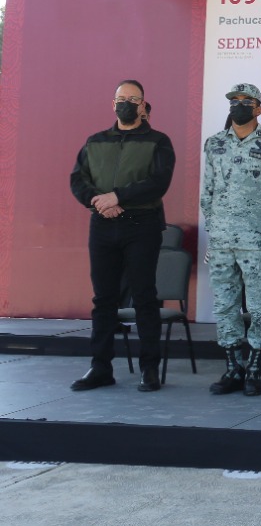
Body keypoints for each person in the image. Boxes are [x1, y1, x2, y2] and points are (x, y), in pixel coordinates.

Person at [68, 79, 176, 393]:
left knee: (144, 296)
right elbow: (78, 180)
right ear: (112, 103)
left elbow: (158, 182)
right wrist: (98, 201)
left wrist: (117, 197)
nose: (126, 103)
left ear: (143, 105)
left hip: (142, 225)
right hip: (102, 225)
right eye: (121, 98)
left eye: (133, 98)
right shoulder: (95, 141)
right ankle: (100, 368)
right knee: (103, 300)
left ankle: (149, 369)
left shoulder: (158, 141)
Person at [201, 83, 261, 396]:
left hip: (257, 239)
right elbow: (208, 192)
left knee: (259, 307)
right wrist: (211, 233)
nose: (239, 106)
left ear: (259, 109)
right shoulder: (214, 143)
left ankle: (255, 368)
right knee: (225, 306)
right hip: (222, 241)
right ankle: (233, 367)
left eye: (247, 101)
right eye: (234, 101)